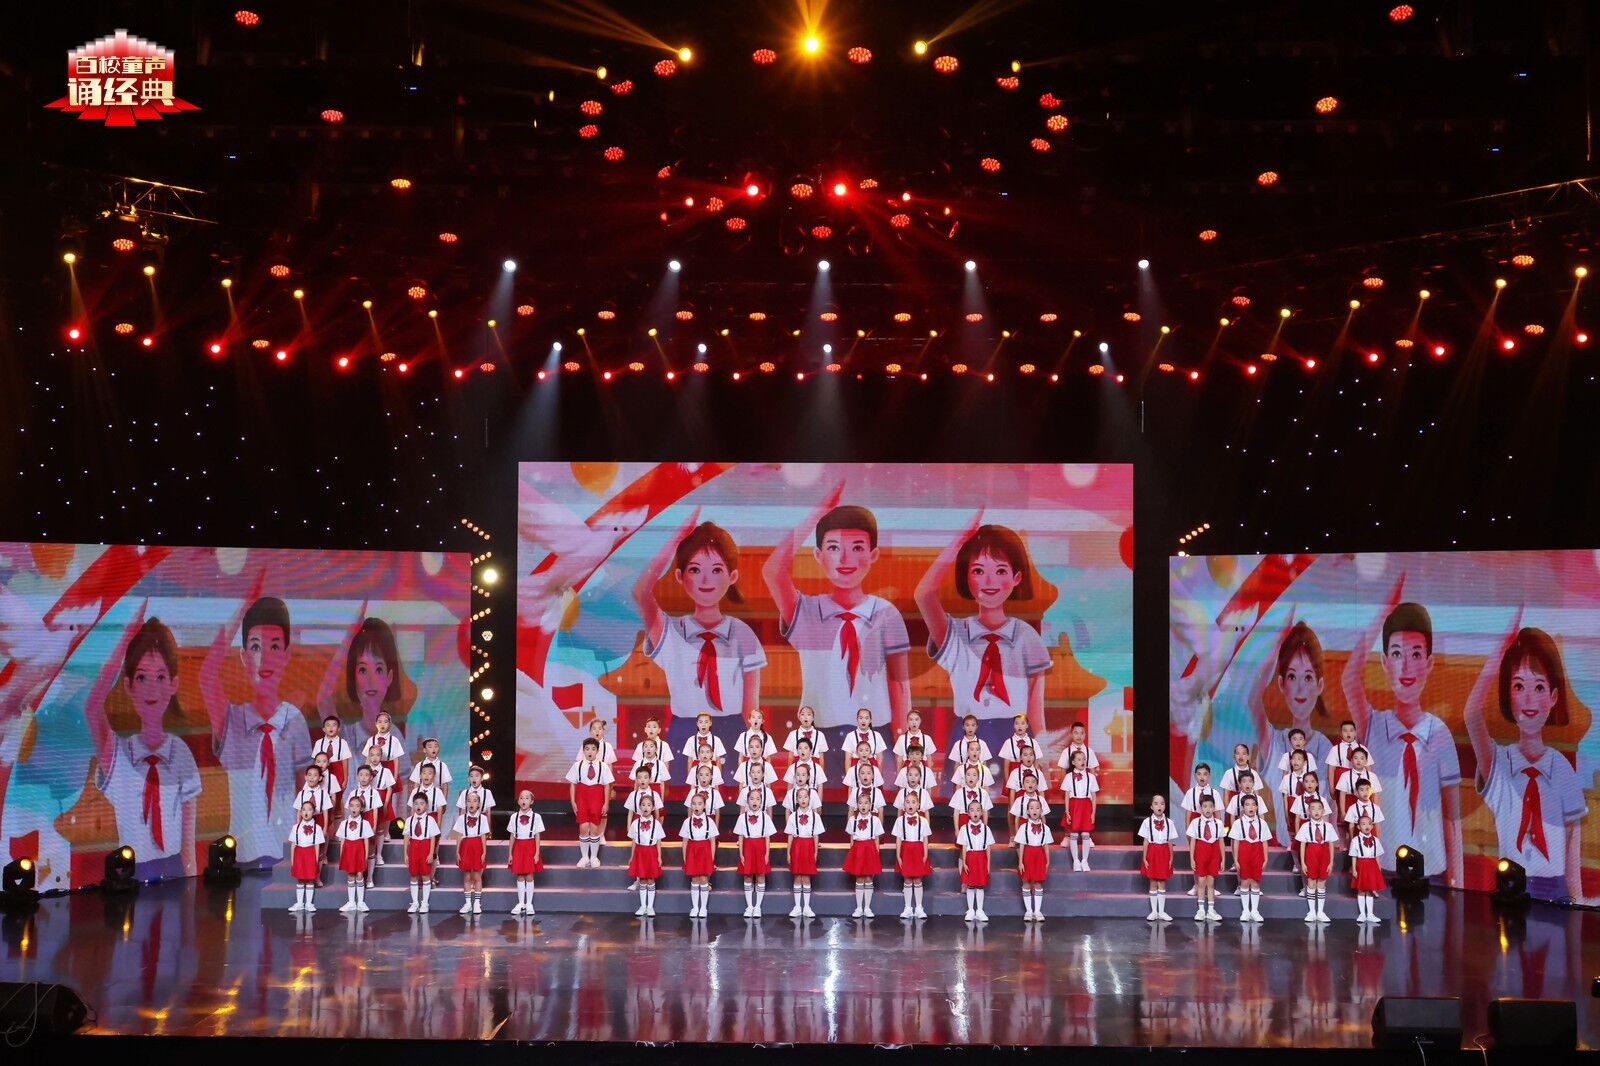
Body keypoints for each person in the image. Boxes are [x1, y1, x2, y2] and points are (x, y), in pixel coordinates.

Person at [765, 491, 911, 782]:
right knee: (819, 801)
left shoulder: (886, 613)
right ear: (818, 556)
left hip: (876, 733)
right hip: (820, 733)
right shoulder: (807, 611)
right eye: (833, 548)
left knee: (875, 805)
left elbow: (900, 684)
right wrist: (817, 512)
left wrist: (903, 741)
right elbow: (773, 571)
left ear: (873, 555)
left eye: (857, 548)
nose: (844, 558)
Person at [1464, 615, 1590, 901]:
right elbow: (1471, 714)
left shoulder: (1562, 768)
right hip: (1511, 888)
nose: (1529, 700)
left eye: (1539, 687)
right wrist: (1500, 649)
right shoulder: (1499, 763)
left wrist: (1577, 905)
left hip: (1556, 892)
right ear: (1508, 694)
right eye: (1519, 686)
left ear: (1554, 697)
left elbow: (1572, 845)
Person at [1342, 584, 1462, 883]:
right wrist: (1384, 610)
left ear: (1429, 663)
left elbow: (1453, 820)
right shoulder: (1373, 725)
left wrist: (1457, 886)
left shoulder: (1440, 734)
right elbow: (1349, 678)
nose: (1406, 666)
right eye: (1396, 654)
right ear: (1384, 662)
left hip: (1432, 871)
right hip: (1382, 866)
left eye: (1416, 654)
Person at [915, 514, 1051, 760]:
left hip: (1016, 737)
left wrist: (1040, 758)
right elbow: (923, 594)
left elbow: (1035, 708)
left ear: (1017, 577)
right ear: (965, 576)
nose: (990, 581)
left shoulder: (1026, 636)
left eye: (1001, 570)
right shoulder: (956, 634)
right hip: (968, 736)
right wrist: (958, 542)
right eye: (978, 570)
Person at [635, 516, 767, 758]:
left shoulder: (743, 634)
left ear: (732, 576)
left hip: (731, 731)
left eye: (717, 570)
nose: (706, 580)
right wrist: (675, 539)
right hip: (684, 730)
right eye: (695, 570)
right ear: (680, 576)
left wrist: (753, 748)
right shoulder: (671, 631)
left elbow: (751, 707)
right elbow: (640, 591)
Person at [86, 614, 203, 880]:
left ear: (173, 684)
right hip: (131, 874)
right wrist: (125, 640)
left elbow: (188, 846)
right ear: (128, 685)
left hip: (174, 874)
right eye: (141, 677)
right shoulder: (120, 755)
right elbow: (92, 707)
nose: (151, 689)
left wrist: (190, 891)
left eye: (160, 677)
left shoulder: (180, 753)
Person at [203, 596, 314, 867]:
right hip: (243, 856)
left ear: (286, 655)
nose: (264, 658)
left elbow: (306, 791)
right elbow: (206, 675)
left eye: (274, 646)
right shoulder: (233, 720)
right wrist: (242, 607)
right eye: (255, 647)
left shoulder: (294, 720)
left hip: (287, 855)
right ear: (243, 656)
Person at [1255, 621, 1336, 845]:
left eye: (1308, 677)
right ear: (1281, 683)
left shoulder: (1325, 748)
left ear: (1320, 685)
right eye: (1292, 676)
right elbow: (1253, 698)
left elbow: (1331, 805)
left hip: (1319, 847)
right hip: (1283, 849)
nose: (1300, 688)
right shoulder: (1274, 741)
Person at [567, 737, 614, 868]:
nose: (590, 751)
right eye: (587, 749)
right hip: (582, 798)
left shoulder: (603, 766)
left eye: (593, 749)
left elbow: (607, 785)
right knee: (583, 828)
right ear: (583, 750)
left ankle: (593, 857)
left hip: (597, 798)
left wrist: (606, 803)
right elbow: (572, 784)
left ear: (597, 751)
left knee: (594, 828)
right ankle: (584, 857)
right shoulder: (577, 765)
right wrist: (573, 802)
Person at [842, 789, 885, 918]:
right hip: (858, 849)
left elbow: (877, 839)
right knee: (859, 878)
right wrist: (852, 852)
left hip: (870, 848)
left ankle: (867, 908)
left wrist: (876, 853)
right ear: (857, 805)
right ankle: (859, 907)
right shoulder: (852, 820)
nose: (863, 806)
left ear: (870, 805)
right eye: (860, 803)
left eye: (866, 803)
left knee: (868, 878)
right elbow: (851, 839)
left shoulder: (875, 820)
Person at [1295, 796, 1337, 923]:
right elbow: (1302, 845)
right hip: (1311, 854)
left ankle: (1320, 912)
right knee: (1311, 882)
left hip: (1324, 855)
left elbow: (1331, 844)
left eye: (1319, 808)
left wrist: (1331, 862)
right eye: (1313, 808)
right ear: (1309, 811)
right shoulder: (1305, 826)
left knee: (1321, 883)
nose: (1316, 811)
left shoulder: (1328, 826)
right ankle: (1312, 911)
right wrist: (1303, 863)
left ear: (1323, 811)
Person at [734, 791, 775, 918]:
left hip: (760, 847)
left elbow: (767, 837)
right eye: (752, 799)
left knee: (760, 876)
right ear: (747, 801)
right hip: (747, 848)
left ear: (761, 802)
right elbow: (740, 837)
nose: (754, 801)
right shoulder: (742, 818)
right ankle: (749, 906)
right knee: (748, 876)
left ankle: (757, 907)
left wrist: (767, 854)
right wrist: (741, 854)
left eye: (757, 799)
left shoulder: (765, 817)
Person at [892, 791, 933, 919]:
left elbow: (925, 839)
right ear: (904, 805)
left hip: (918, 850)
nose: (910, 805)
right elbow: (898, 839)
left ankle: (919, 908)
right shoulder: (899, 821)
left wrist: (925, 855)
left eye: (913, 802)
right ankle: (908, 908)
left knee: (918, 879)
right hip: (906, 850)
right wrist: (898, 856)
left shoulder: (923, 821)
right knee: (908, 879)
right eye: (907, 802)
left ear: (918, 805)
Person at [1229, 793, 1269, 922]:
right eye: (1247, 805)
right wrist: (1235, 860)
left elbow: (1264, 841)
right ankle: (1246, 911)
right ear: (1243, 808)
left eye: (1253, 805)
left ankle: (1255, 911)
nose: (1250, 807)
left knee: (1256, 881)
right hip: (1244, 851)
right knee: (1245, 881)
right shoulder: (1237, 823)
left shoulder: (1262, 823)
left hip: (1257, 851)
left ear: (1257, 807)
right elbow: (1235, 843)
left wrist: (1266, 858)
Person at [1138, 794, 1178, 921]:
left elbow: (1170, 841)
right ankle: (1154, 911)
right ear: (1151, 807)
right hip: (1152, 851)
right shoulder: (1147, 822)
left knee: (1162, 881)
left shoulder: (1169, 823)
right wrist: (1144, 857)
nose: (1159, 806)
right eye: (1156, 803)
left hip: (1164, 852)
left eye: (1162, 803)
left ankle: (1162, 911)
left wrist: (1171, 857)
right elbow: (1145, 841)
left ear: (1165, 806)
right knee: (1153, 881)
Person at [451, 790, 491, 915]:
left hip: (477, 846)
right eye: (468, 801)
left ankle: (477, 903)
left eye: (474, 801)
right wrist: (457, 851)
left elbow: (483, 836)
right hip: (466, 847)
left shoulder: (483, 818)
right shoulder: (461, 818)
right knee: (467, 876)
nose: (471, 803)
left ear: (479, 804)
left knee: (477, 876)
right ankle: (468, 903)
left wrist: (484, 852)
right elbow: (459, 836)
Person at [679, 789, 718, 918]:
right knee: (695, 878)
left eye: (699, 803)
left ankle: (703, 908)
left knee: (704, 879)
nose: (697, 806)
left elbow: (712, 841)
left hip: (705, 850)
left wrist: (712, 857)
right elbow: (684, 841)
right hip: (692, 850)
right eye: (694, 804)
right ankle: (695, 907)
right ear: (691, 805)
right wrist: (685, 857)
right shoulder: (687, 822)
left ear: (704, 805)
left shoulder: (710, 821)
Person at [785, 785, 823, 917]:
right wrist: (788, 852)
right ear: (796, 800)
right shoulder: (792, 816)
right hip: (797, 846)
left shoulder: (815, 816)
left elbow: (816, 836)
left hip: (808, 846)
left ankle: (806, 907)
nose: (803, 799)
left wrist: (815, 853)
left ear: (809, 799)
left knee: (806, 877)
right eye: (800, 797)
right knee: (797, 876)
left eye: (805, 797)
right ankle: (797, 907)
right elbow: (790, 835)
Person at [627, 792, 666, 918]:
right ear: (640, 807)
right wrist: (632, 856)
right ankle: (643, 906)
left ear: (653, 808)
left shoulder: (657, 824)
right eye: (643, 805)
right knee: (642, 879)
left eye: (649, 805)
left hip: (651, 852)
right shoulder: (635, 823)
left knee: (650, 879)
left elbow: (659, 841)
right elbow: (634, 841)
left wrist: (659, 856)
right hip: (640, 852)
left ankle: (650, 907)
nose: (646, 807)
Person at [507, 789, 545, 915]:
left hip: (530, 847)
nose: (524, 800)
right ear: (518, 801)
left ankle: (529, 903)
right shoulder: (514, 817)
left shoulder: (536, 817)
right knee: (520, 875)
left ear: (532, 801)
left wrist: (537, 853)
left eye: (527, 798)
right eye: (521, 798)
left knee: (529, 875)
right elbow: (512, 836)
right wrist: (510, 854)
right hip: (518, 847)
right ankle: (520, 903)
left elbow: (537, 836)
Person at [1187, 794, 1224, 921]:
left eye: (1210, 806)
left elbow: (1221, 842)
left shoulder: (1219, 823)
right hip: (1201, 852)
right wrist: (1192, 858)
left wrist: (1223, 859)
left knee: (1211, 883)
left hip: (1214, 853)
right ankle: (1201, 910)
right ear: (1201, 808)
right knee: (1201, 882)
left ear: (1214, 808)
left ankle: (1211, 910)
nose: (1208, 809)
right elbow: (1192, 842)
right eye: (1205, 806)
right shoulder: (1195, 822)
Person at [334, 794, 374, 912]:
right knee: (350, 875)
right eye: (351, 806)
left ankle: (360, 902)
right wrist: (342, 855)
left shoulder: (365, 824)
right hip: (348, 850)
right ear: (348, 807)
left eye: (357, 806)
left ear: (361, 808)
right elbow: (342, 840)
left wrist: (365, 856)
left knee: (360, 874)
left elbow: (366, 841)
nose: (354, 808)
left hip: (359, 850)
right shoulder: (344, 824)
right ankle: (351, 902)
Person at [1016, 797, 1053, 922]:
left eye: (1037, 808)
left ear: (1041, 811)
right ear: (1027, 811)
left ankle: (1037, 911)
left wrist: (1048, 861)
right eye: (1031, 808)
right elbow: (1021, 845)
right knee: (1026, 882)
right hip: (1027, 855)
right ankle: (1028, 911)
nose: (1034, 810)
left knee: (1038, 883)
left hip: (1039, 856)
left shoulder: (1045, 828)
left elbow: (1046, 845)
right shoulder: (1023, 827)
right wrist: (1020, 861)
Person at [1061, 748, 1099, 871]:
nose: (1082, 761)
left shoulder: (1091, 777)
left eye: (1084, 759)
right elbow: (1066, 795)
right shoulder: (1068, 777)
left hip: (1086, 806)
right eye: (1079, 759)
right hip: (1074, 806)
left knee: (1085, 834)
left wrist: (1093, 813)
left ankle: (1084, 861)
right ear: (1073, 762)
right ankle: (1076, 861)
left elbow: (1094, 796)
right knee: (1073, 834)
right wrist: (1067, 811)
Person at [958, 799, 995, 922]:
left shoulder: (986, 829)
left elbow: (988, 848)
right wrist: (964, 862)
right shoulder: (964, 829)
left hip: (981, 858)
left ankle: (979, 910)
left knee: (979, 885)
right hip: (970, 857)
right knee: (970, 885)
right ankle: (970, 910)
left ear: (982, 813)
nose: (975, 812)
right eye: (972, 810)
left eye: (978, 810)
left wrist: (988, 864)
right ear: (968, 813)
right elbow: (964, 847)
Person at [403, 791, 440, 913]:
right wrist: (405, 854)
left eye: (421, 803)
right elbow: (406, 837)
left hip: (425, 846)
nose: (418, 806)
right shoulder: (409, 820)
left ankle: (425, 903)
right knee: (413, 875)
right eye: (416, 803)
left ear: (426, 805)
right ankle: (415, 902)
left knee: (425, 875)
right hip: (414, 847)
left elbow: (433, 838)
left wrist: (431, 853)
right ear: (413, 805)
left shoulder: (431, 820)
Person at [1348, 814, 1386, 923]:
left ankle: (1370, 914)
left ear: (1372, 826)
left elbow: (1377, 856)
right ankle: (1362, 914)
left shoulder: (1375, 840)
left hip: (1372, 865)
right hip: (1361, 865)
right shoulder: (1355, 840)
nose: (1367, 826)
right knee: (1361, 890)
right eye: (1363, 824)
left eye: (1369, 824)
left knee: (1370, 890)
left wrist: (1379, 868)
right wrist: (1354, 869)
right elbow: (1354, 856)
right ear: (1358, 826)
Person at [287, 802, 325, 912]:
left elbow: (317, 846)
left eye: (309, 809)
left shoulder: (317, 828)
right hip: (299, 854)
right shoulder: (296, 827)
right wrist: (293, 860)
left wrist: (316, 861)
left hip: (310, 854)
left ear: (314, 812)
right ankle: (299, 903)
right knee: (300, 879)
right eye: (304, 809)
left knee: (309, 879)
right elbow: (293, 844)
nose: (306, 812)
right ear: (300, 812)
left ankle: (308, 903)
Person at [312, 715, 353, 811]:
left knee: (337, 796)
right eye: (328, 725)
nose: (331, 728)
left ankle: (337, 814)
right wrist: (315, 775)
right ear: (323, 729)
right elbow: (315, 761)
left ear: (338, 729)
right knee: (323, 794)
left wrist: (345, 778)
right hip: (323, 770)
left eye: (334, 725)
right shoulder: (319, 743)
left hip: (338, 770)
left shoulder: (342, 742)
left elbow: (345, 761)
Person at [1335, 746, 1383, 818]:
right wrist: (1343, 812)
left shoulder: (1372, 776)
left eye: (1362, 758)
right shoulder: (1345, 775)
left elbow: (1376, 795)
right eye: (1356, 758)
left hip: (1367, 809)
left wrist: (1375, 812)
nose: (1358, 761)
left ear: (1366, 761)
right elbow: (1342, 795)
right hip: (1349, 807)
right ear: (1351, 760)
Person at [677, 712, 727, 779]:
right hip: (696, 770)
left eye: (706, 722)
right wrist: (690, 778)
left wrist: (718, 778)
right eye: (701, 722)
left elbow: (718, 760)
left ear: (710, 723)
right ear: (697, 724)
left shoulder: (716, 740)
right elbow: (689, 760)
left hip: (712, 770)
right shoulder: (691, 740)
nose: (703, 724)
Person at [409, 737, 452, 808]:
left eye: (436, 746)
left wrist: (444, 803)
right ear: (424, 750)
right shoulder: (419, 765)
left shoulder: (442, 765)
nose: (433, 749)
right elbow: (416, 784)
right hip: (422, 798)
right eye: (430, 747)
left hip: (437, 798)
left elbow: (445, 786)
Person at [950, 763, 994, 829]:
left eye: (974, 775)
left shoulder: (984, 793)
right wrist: (957, 830)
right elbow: (956, 813)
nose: (971, 778)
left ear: (978, 778)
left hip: (979, 824)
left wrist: (985, 829)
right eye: (968, 775)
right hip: (963, 824)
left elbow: (985, 812)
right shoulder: (959, 793)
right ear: (965, 778)